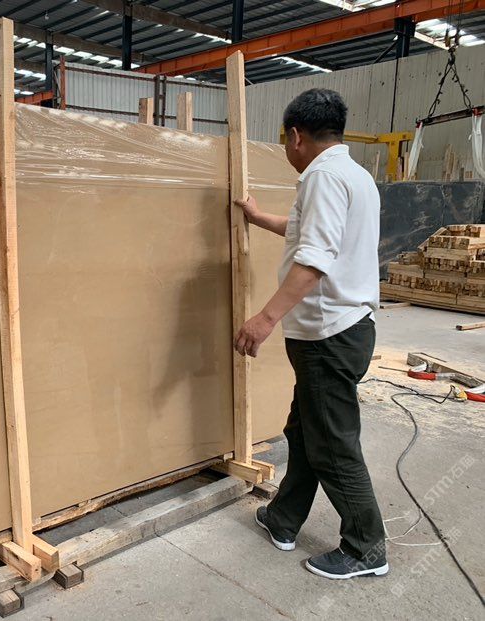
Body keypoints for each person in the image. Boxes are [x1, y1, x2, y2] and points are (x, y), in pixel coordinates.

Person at [233, 88, 387, 580]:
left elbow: (314, 260)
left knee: (333, 444)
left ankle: (366, 548)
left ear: (296, 136)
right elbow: (311, 234)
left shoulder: (322, 177)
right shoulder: (354, 175)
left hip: (328, 336)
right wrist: (259, 218)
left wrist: (265, 318)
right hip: (344, 330)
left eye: (286, 140)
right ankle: (283, 518)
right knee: (304, 433)